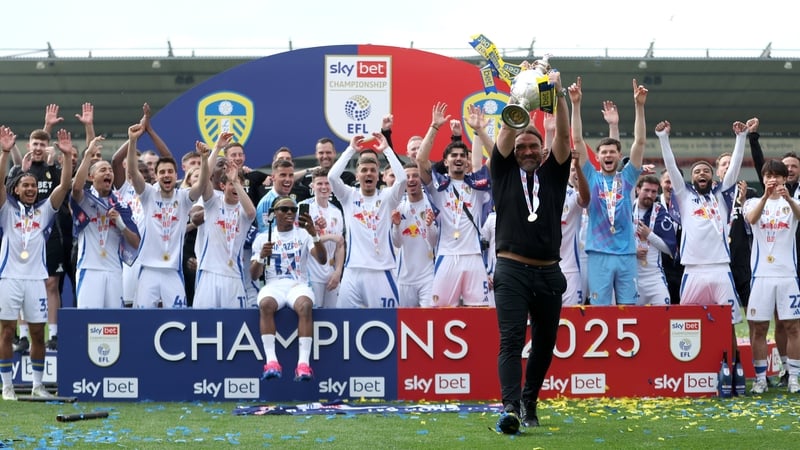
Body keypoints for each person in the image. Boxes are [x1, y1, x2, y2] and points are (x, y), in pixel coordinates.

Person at [491, 71, 571, 427]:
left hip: (549, 272)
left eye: (532, 146)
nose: (526, 150)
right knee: (510, 339)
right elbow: (506, 134)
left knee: (544, 344)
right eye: (521, 146)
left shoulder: (553, 172)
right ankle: (510, 407)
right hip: (511, 268)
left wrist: (558, 95)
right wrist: (519, 98)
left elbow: (565, 137)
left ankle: (530, 402)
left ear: (541, 150)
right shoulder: (503, 170)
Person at [0, 126, 73, 400]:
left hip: (35, 280)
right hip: (9, 277)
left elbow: (64, 186)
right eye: (25, 185)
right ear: (16, 189)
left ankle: (38, 385)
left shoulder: (44, 210)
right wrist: (6, 152)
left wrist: (66, 157)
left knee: (38, 336)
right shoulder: (6, 209)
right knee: (7, 333)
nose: (30, 189)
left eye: (33, 186)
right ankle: (7, 386)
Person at [655, 120, 746, 328]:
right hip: (692, 269)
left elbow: (734, 167)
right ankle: (697, 362)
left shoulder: (721, 195)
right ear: (692, 178)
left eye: (706, 171)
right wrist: (663, 138)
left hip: (721, 268)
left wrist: (741, 138)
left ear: (712, 176)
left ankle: (729, 362)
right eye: (697, 172)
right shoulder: (684, 196)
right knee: (690, 324)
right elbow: (670, 166)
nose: (702, 174)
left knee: (728, 324)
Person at [576, 79, 648, 305]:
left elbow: (640, 141)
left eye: (612, 152)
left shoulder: (627, 177)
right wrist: (576, 104)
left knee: (630, 309)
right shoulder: (591, 176)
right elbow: (577, 140)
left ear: (619, 156)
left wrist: (639, 106)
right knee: (600, 310)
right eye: (603, 152)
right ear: (596, 157)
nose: (608, 155)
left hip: (627, 254)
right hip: (599, 254)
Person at [416, 102, 493, 307]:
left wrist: (479, 131)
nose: (459, 159)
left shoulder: (477, 185)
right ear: (446, 161)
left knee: (480, 314)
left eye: (462, 156)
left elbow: (498, 159)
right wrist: (434, 127)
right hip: (447, 257)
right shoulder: (437, 185)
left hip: (475, 257)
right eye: (454, 156)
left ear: (467, 162)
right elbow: (421, 159)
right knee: (440, 313)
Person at [126, 123, 207, 308]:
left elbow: (201, 185)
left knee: (178, 320)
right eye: (162, 172)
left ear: (176, 174)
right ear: (156, 175)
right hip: (148, 271)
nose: (166, 175)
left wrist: (204, 158)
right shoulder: (148, 194)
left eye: (170, 171)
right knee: (144, 322)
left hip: (173, 272)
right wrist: (132, 141)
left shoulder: (184, 197)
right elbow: (132, 171)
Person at [250, 196, 327, 381]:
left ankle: (303, 364)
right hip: (274, 285)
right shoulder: (263, 237)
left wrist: (315, 234)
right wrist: (261, 256)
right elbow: (253, 275)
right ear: (274, 213)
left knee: (305, 306)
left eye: (293, 210)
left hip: (297, 284)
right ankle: (271, 362)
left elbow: (322, 259)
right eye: (284, 209)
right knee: (266, 304)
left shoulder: (303, 234)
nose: (290, 213)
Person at [330, 132, 407, 308]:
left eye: (372, 170)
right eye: (364, 170)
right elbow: (332, 177)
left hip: (381, 271)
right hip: (352, 271)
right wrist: (350, 150)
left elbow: (402, 179)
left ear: (378, 176)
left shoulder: (387, 198)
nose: (368, 173)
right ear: (357, 176)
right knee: (345, 323)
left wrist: (387, 150)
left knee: (387, 322)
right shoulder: (348, 196)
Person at [743, 159, 800, 394]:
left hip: (787, 275)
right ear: (763, 178)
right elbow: (752, 219)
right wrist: (766, 198)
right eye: (768, 176)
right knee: (758, 328)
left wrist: (787, 199)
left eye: (777, 175)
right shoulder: (752, 202)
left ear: (785, 179)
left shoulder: (793, 203)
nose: (772, 179)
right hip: (761, 276)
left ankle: (794, 376)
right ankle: (760, 378)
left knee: (793, 327)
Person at [70, 136, 141, 308]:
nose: (108, 172)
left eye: (110, 170)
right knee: (87, 321)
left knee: (113, 324)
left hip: (114, 271)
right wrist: (88, 154)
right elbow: (76, 188)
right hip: (89, 269)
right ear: (91, 176)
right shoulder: (85, 199)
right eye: (103, 170)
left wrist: (121, 225)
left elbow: (136, 242)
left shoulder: (121, 205)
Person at [192, 143, 257, 309]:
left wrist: (236, 180)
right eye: (230, 184)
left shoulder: (243, 211)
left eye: (238, 185)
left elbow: (251, 213)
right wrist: (213, 151)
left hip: (233, 276)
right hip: (209, 273)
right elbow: (205, 178)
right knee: (203, 323)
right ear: (222, 186)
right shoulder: (212, 202)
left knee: (234, 326)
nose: (235, 188)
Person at [391, 162, 438, 307]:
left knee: (430, 320)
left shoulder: (432, 203)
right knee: (404, 323)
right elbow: (397, 243)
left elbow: (434, 241)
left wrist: (429, 226)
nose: (411, 179)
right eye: (407, 176)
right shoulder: (398, 207)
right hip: (404, 279)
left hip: (428, 277)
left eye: (415, 176)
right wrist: (396, 225)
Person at [299, 168, 345, 308]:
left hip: (330, 273)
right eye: (319, 184)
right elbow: (303, 240)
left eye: (327, 183)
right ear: (312, 186)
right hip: (311, 272)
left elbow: (340, 244)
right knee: (313, 314)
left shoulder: (336, 211)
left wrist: (338, 272)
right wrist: (330, 236)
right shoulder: (304, 207)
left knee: (332, 315)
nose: (324, 187)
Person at [633, 174, 677, 305]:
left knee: (664, 312)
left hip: (654, 276)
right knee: (633, 320)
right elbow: (614, 240)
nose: (650, 195)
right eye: (646, 190)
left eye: (653, 191)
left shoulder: (659, 211)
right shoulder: (627, 208)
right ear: (637, 190)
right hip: (631, 277)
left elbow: (669, 248)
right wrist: (632, 251)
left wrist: (650, 235)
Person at [658, 168, 684, 305]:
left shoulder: (688, 206)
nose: (671, 186)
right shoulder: (653, 204)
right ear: (661, 183)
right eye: (668, 181)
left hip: (682, 268)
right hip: (658, 268)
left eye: (675, 182)